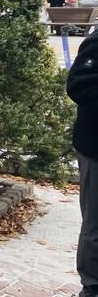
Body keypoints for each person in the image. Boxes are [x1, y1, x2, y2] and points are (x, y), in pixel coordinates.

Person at [67, 29, 98, 297]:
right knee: (95, 223)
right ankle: (92, 285)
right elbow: (78, 85)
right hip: (95, 148)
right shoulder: (97, 41)